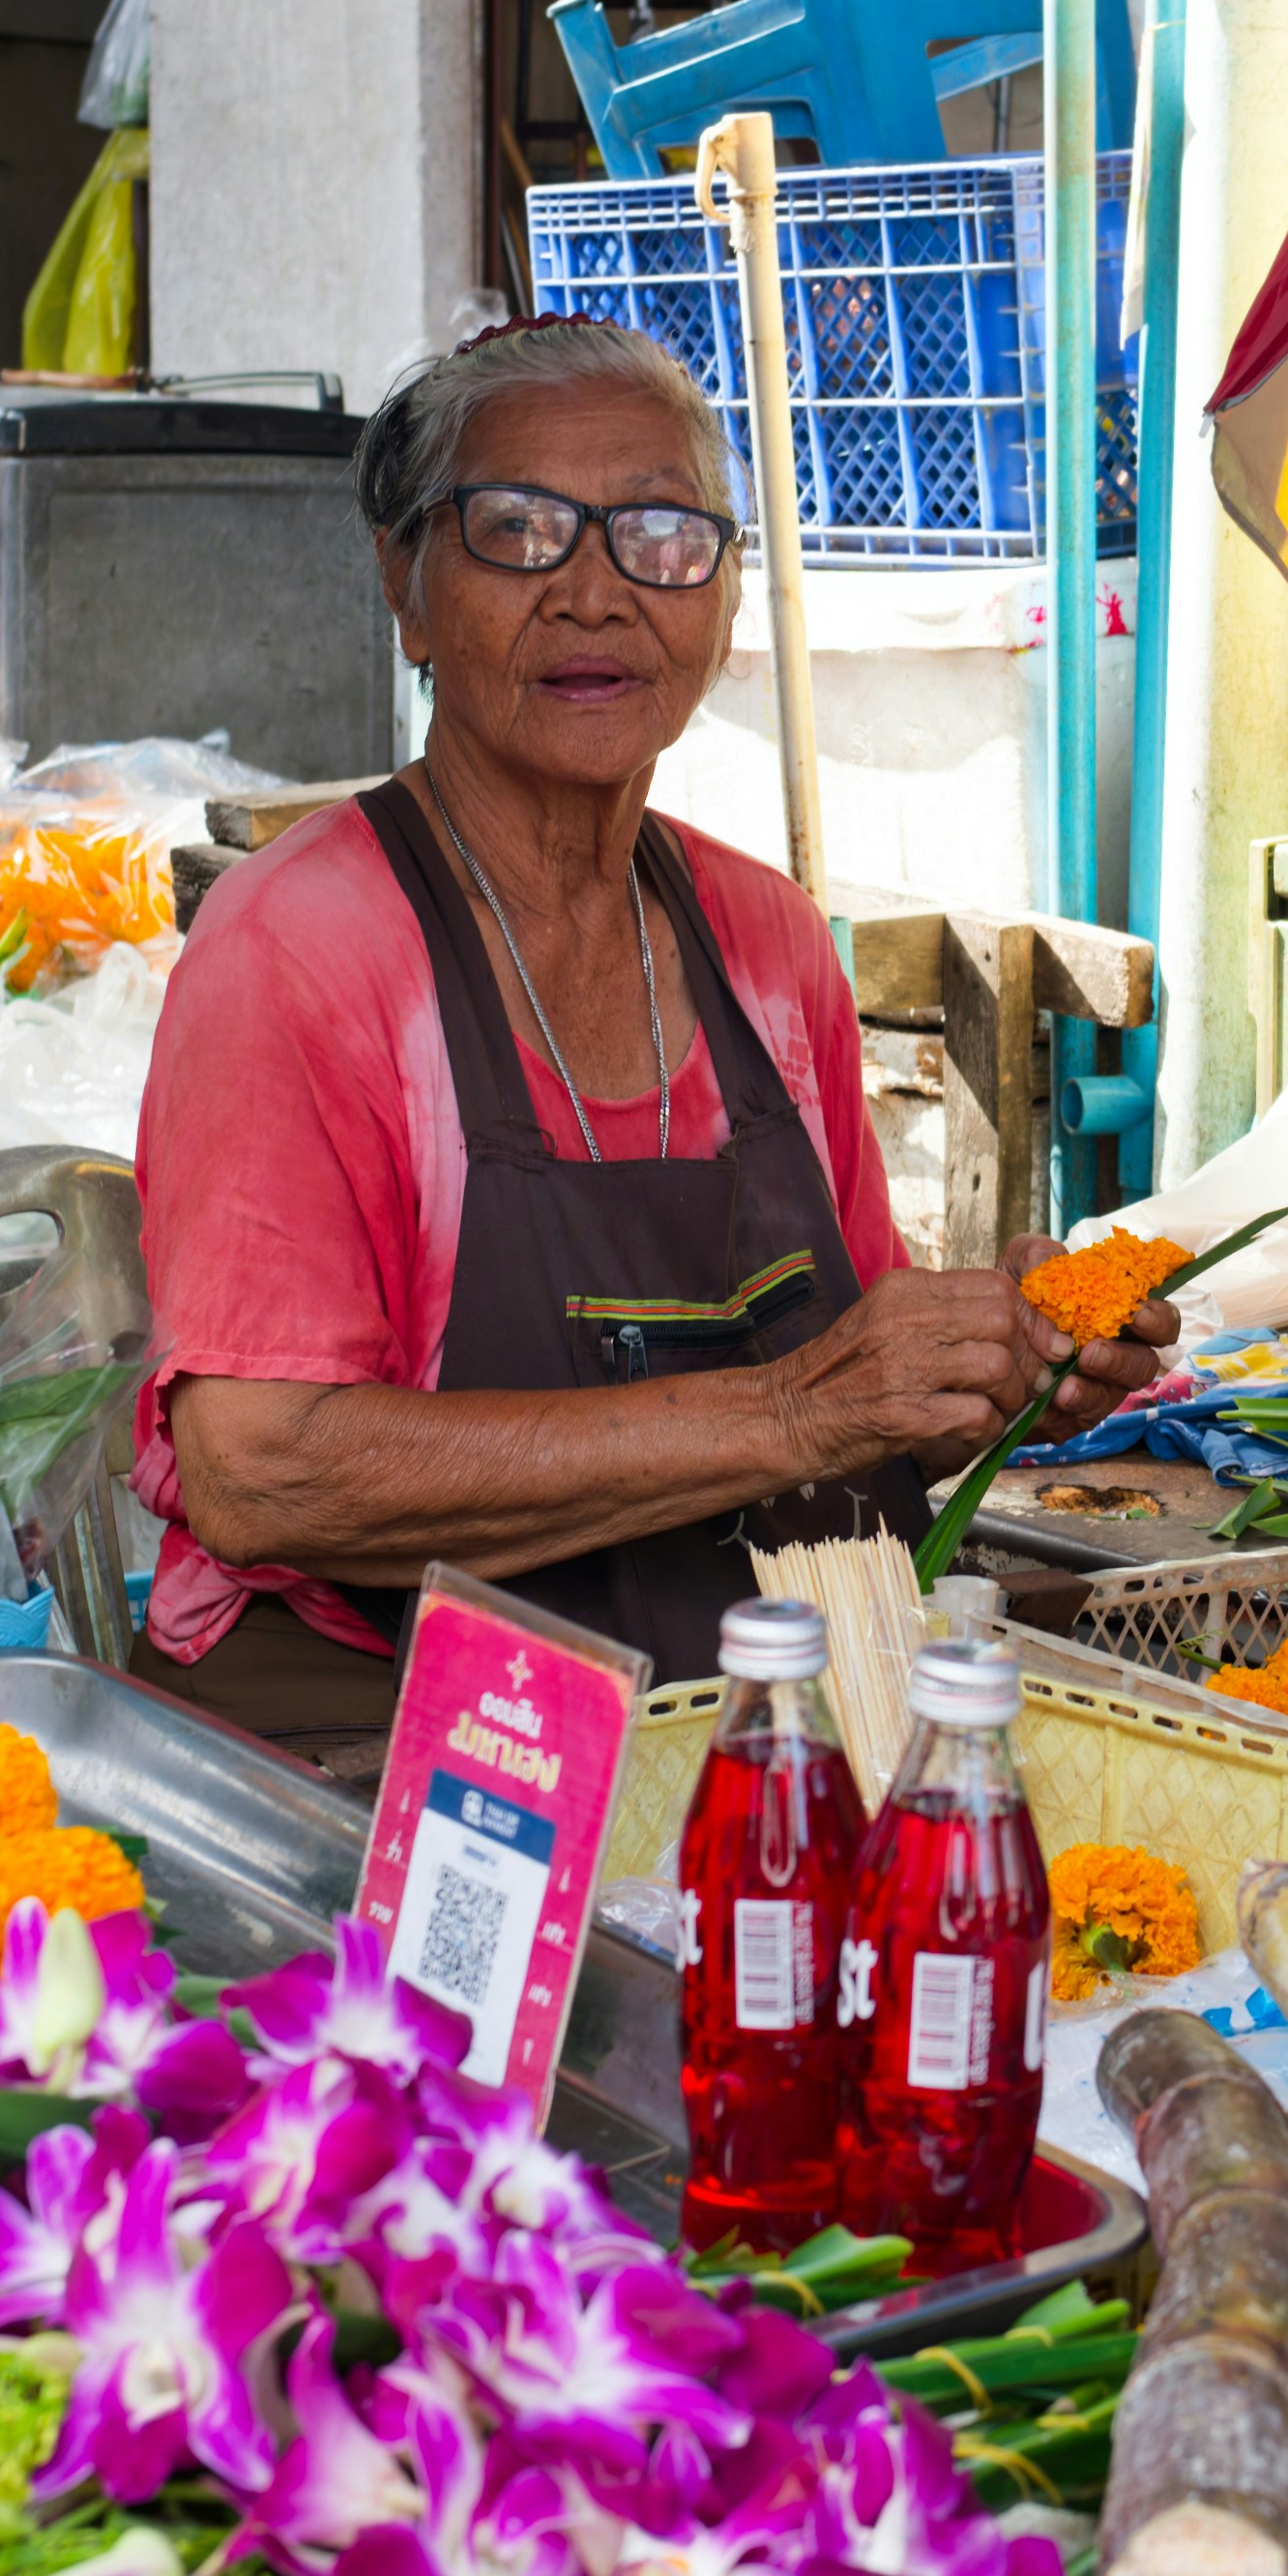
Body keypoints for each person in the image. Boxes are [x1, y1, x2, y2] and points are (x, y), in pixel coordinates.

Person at [132, 317, 1177, 1756]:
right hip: (395, 1726)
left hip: (727, 1708)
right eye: (517, 530)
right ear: (407, 588)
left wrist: (988, 1370)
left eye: (663, 537)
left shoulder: (764, 944)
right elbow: (260, 1474)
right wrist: (798, 1412)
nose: (595, 596)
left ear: (725, 593)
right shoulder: (299, 952)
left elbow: (855, 1401)